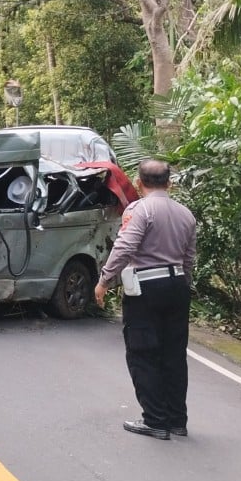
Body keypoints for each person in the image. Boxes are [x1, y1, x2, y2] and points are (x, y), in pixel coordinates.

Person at [95, 159, 196, 440]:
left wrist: (104, 280)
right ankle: (177, 420)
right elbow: (188, 258)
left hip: (146, 288)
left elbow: (125, 246)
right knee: (174, 355)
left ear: (139, 184)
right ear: (169, 183)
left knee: (143, 353)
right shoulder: (186, 214)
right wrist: (182, 284)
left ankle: (154, 420)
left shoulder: (139, 210)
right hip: (177, 285)